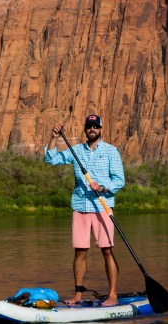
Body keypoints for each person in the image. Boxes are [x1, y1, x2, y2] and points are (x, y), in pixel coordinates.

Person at [44, 114, 125, 306]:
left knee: (107, 250)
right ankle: (78, 295)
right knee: (80, 251)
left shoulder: (111, 152)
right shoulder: (76, 151)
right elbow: (51, 159)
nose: (92, 129)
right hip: (80, 206)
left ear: (100, 129)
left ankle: (112, 295)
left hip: (102, 207)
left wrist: (102, 186)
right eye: (89, 126)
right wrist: (54, 137)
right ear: (85, 129)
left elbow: (119, 181)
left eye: (95, 126)